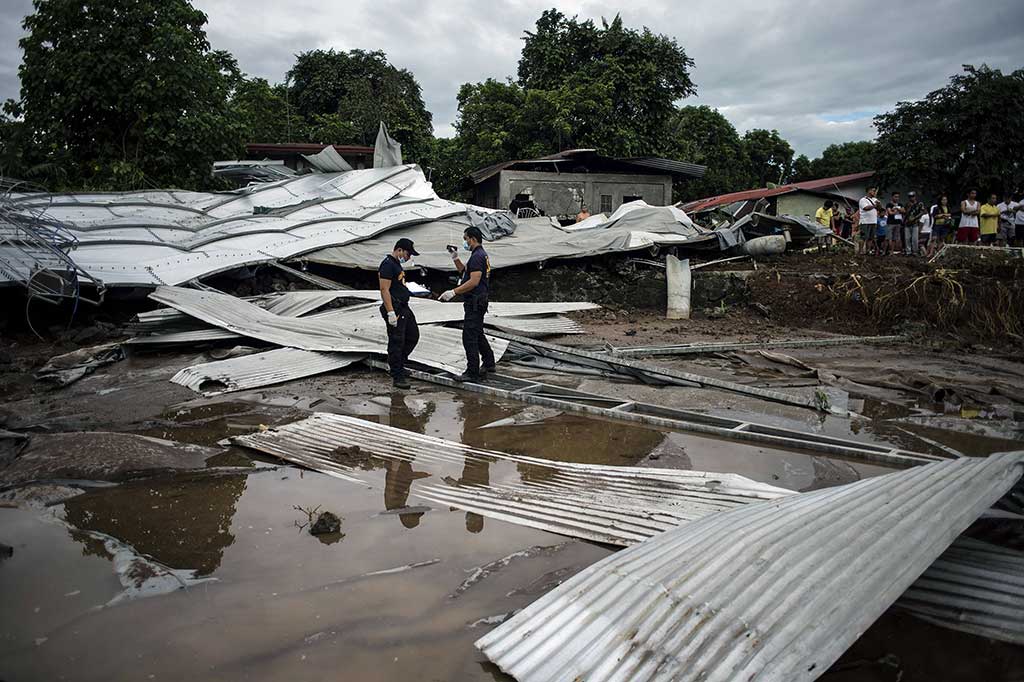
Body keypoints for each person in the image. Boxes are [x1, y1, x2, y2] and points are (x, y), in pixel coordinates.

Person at [439, 226, 496, 382]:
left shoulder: (478, 256)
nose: (465, 242)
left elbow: (473, 281)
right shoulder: (478, 255)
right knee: (477, 332)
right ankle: (489, 362)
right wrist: (455, 257)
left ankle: (472, 372)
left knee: (469, 336)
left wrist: (454, 292)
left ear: (473, 238)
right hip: (477, 301)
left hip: (475, 302)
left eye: (466, 239)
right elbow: (465, 273)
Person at [378, 238, 420, 389]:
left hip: (404, 307)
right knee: (397, 341)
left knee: (413, 336)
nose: (408, 258)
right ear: (400, 250)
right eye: (408, 254)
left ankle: (399, 364)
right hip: (395, 308)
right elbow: (384, 289)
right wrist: (390, 311)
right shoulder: (388, 265)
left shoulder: (396, 265)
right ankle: (397, 374)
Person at [857, 187, 881, 256]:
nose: (874, 192)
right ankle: (861, 251)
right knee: (863, 237)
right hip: (865, 221)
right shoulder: (863, 200)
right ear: (869, 191)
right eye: (873, 191)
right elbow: (866, 208)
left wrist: (879, 204)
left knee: (871, 238)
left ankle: (868, 250)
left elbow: (879, 208)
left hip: (873, 221)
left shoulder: (875, 199)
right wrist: (874, 205)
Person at [904, 191, 925, 256]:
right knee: (907, 238)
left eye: (912, 196)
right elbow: (905, 213)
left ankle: (915, 252)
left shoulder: (920, 204)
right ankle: (908, 252)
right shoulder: (907, 204)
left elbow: (922, 212)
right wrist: (909, 208)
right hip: (907, 223)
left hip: (915, 223)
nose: (911, 198)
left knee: (914, 239)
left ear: (915, 197)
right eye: (910, 197)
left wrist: (915, 218)